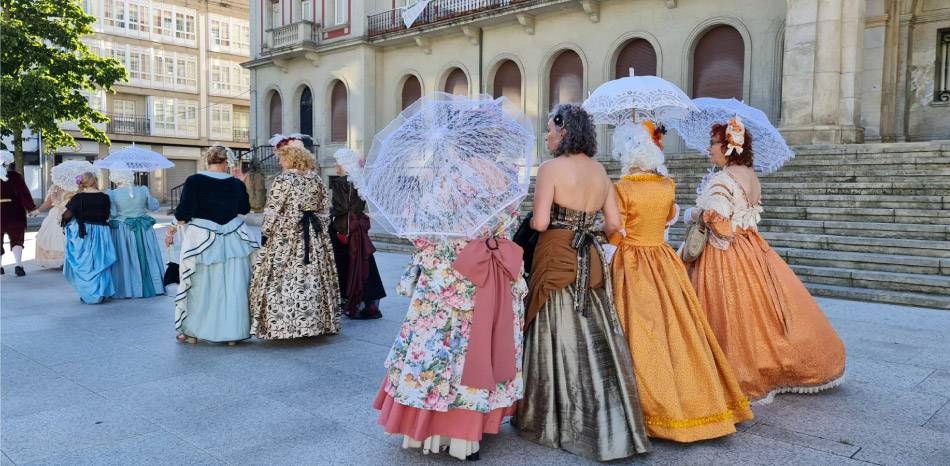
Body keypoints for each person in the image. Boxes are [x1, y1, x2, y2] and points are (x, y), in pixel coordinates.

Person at [517, 105, 650, 461]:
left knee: (555, 328)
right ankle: (609, 419)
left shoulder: (550, 169)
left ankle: (554, 418)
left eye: (549, 130)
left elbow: (542, 223)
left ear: (564, 132)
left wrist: (526, 222)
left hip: (556, 252)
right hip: (588, 254)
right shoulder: (601, 171)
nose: (546, 136)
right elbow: (614, 225)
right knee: (596, 329)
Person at [607, 121, 752, 442]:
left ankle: (651, 406)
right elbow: (668, 218)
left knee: (638, 328)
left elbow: (615, 232)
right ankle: (697, 394)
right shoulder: (667, 185)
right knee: (678, 327)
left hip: (632, 262)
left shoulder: (622, 188)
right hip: (663, 260)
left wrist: (613, 239)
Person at [684, 117, 846, 404]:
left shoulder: (722, 179)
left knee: (729, 314)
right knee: (759, 313)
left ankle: (735, 372)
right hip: (751, 250)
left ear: (728, 147)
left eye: (713, 143)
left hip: (723, 254)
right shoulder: (750, 175)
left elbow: (720, 223)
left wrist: (693, 213)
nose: (709, 149)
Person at [372, 208, 526, 461]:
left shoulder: (442, 188)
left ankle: (437, 431)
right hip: (494, 278)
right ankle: (468, 433)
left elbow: (420, 236)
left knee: (443, 349)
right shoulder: (502, 185)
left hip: (447, 277)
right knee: (479, 347)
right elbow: (509, 227)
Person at [249, 141, 341, 339]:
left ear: (290, 159)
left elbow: (273, 209)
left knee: (283, 277)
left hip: (287, 235)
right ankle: (316, 323)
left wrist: (267, 230)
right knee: (314, 276)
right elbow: (325, 209)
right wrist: (319, 228)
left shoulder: (283, 180)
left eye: (282, 158)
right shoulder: (316, 180)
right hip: (314, 236)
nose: (280, 162)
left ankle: (285, 326)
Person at [170, 145, 258, 345]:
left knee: (201, 286)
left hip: (202, 240)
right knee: (233, 285)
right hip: (235, 239)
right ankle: (233, 334)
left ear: (207, 160)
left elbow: (183, 212)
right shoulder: (236, 184)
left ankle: (192, 332)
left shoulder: (195, 180)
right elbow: (244, 208)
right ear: (227, 162)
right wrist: (241, 184)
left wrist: (175, 226)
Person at [329, 149, 386, 319]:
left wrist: (327, 211)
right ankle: (367, 304)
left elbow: (341, 208)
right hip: (359, 230)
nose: (336, 166)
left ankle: (346, 300)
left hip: (343, 230)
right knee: (363, 263)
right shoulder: (360, 181)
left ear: (344, 165)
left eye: (338, 163)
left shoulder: (340, 182)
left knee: (343, 265)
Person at [107, 170, 165, 298]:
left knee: (126, 257)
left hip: (123, 230)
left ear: (115, 179)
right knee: (146, 255)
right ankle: (154, 286)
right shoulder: (143, 190)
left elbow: (113, 213)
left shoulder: (112, 194)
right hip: (143, 229)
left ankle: (128, 288)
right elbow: (153, 206)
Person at [62, 172, 116, 304]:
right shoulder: (104, 197)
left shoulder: (77, 198)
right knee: (99, 262)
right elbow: (107, 215)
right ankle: (100, 292)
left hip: (84, 232)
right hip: (101, 231)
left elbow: (66, 216)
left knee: (85, 263)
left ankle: (87, 294)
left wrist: (65, 224)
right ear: (94, 181)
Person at [0, 153, 37, 276]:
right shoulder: (15, 176)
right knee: (17, 239)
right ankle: (18, 265)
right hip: (14, 213)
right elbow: (24, 193)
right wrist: (31, 208)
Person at [32, 184, 69, 268]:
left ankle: (63, 260)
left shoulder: (57, 187)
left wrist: (37, 211)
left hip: (63, 214)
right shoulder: (58, 187)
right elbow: (48, 202)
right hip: (62, 214)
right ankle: (63, 260)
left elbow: (48, 203)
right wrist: (37, 211)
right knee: (58, 236)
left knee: (58, 236)